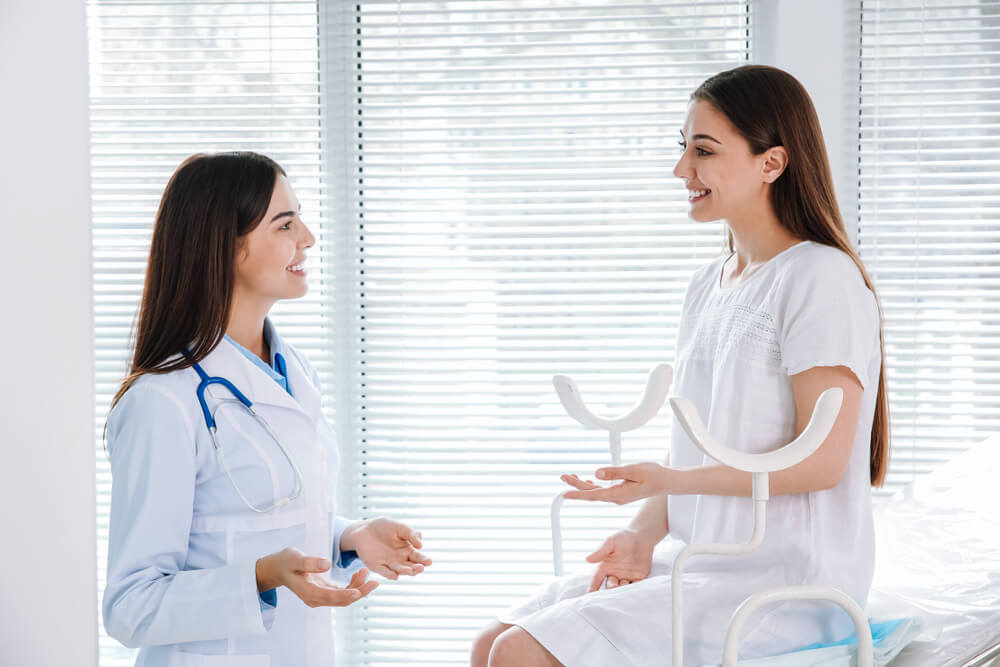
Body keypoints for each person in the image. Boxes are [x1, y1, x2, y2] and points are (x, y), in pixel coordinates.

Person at [471, 65, 889, 666]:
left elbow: (821, 462)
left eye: (704, 151)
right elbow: (699, 448)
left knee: (518, 653)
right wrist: (643, 534)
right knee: (490, 643)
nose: (681, 170)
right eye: (683, 148)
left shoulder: (820, 277)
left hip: (785, 582)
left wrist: (672, 483)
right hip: (700, 561)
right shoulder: (709, 285)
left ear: (771, 163)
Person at [103, 152, 432, 666]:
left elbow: (267, 515)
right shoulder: (163, 400)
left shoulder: (294, 370)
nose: (308, 237)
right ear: (227, 247)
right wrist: (258, 577)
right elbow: (130, 607)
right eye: (285, 223)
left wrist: (351, 539)